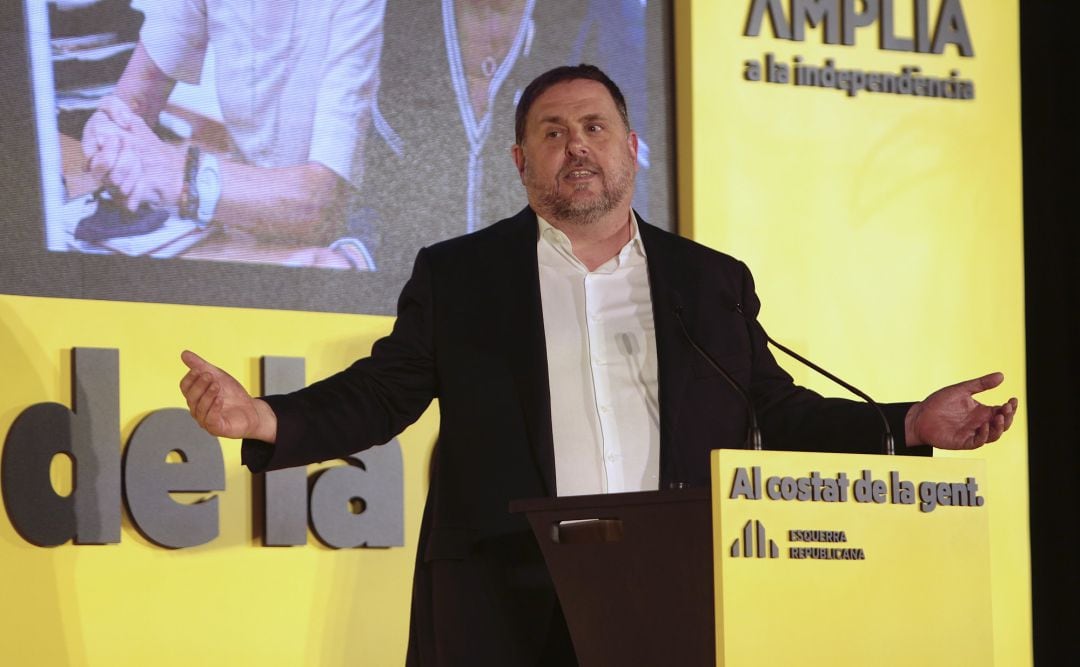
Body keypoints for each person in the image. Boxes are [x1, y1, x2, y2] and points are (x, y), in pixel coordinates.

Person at [179, 65, 1018, 666]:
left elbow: (776, 407)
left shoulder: (708, 281)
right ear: (520, 162)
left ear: (632, 147)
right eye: (551, 132)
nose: (574, 146)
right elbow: (385, 390)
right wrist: (265, 417)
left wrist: (908, 422)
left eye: (593, 127)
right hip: (501, 596)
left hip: (672, 594)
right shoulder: (461, 274)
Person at [82, 0, 385, 261]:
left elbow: (320, 204)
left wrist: (180, 174)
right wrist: (112, 135)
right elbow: (138, 92)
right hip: (245, 223)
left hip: (351, 244)